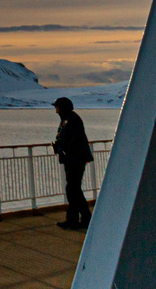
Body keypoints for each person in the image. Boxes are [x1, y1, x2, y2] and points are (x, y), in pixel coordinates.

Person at [52, 96, 93, 229]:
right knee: (73, 189)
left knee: (73, 189)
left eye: (57, 107)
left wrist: (65, 150)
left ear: (62, 108)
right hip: (72, 159)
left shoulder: (72, 120)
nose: (56, 110)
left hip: (76, 159)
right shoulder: (67, 119)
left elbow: (76, 138)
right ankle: (76, 219)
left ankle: (82, 219)